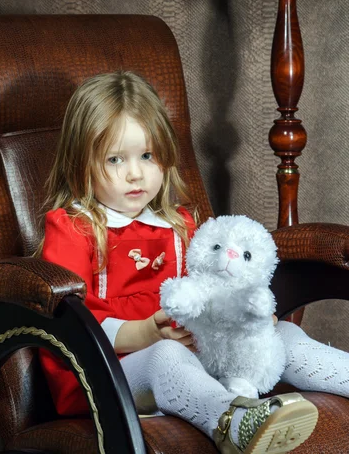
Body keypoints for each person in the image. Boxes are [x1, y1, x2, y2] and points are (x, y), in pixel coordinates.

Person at [38, 71, 349, 454]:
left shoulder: (178, 223)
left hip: (198, 357)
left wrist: (245, 319)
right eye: (115, 159)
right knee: (165, 355)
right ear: (81, 163)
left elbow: (214, 290)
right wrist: (145, 333)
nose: (135, 173)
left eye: (148, 156)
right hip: (101, 374)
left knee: (283, 337)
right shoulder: (75, 228)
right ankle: (236, 423)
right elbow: (65, 318)